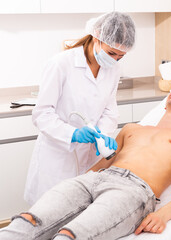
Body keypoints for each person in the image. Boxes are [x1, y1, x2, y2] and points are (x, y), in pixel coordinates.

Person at [1, 80, 171, 240]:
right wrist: (80, 182)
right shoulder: (132, 129)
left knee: (69, 235)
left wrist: (163, 215)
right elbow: (104, 162)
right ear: (165, 103)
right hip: (93, 180)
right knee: (28, 221)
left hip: (133, 191)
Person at [24, 12, 136, 205]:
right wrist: (72, 134)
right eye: (111, 53)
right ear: (97, 36)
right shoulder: (61, 64)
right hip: (58, 156)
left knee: (79, 211)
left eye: (121, 56)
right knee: (49, 212)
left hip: (90, 156)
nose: (115, 60)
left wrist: (104, 135)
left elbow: (109, 109)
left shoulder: (114, 70)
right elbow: (42, 113)